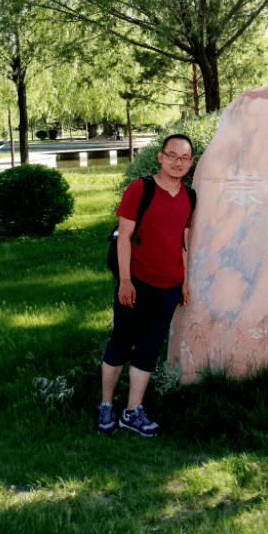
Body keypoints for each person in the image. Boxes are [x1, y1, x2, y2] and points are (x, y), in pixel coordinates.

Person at [97, 133, 195, 437]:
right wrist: (125, 281)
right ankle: (105, 406)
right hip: (137, 282)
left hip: (169, 286)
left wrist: (184, 281)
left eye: (185, 158)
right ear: (161, 157)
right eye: (172, 155)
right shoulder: (140, 189)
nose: (178, 162)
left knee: (150, 347)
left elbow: (184, 241)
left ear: (190, 162)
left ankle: (132, 411)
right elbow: (124, 237)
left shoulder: (190, 196)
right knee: (121, 342)